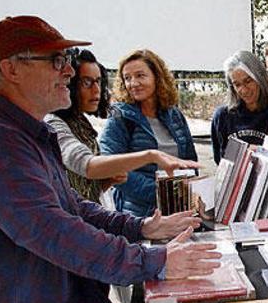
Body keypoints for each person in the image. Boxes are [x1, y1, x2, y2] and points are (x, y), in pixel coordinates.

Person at [0, 15, 221, 303]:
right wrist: (155, 259)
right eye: (57, 60)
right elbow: (54, 231)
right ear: (12, 68)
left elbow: (74, 208)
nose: (69, 71)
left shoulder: (27, 130)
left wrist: (142, 227)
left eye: (68, 59)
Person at [45, 49, 198, 202]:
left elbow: (89, 192)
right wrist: (159, 184)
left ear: (157, 77)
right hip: (139, 211)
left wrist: (191, 191)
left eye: (98, 81)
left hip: (178, 204)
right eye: (86, 82)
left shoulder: (174, 115)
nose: (97, 90)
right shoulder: (56, 123)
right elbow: (89, 165)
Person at [99, 49, 198, 216]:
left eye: (140, 75)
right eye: (127, 78)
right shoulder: (119, 117)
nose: (133, 83)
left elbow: (190, 161)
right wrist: (159, 194)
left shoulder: (175, 115)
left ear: (157, 77)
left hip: (179, 209)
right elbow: (111, 166)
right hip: (138, 214)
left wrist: (190, 194)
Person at [211, 50, 268, 164]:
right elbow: (219, 160)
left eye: (248, 81)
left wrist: (259, 151)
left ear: (260, 78)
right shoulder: (222, 116)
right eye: (237, 84)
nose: (243, 90)